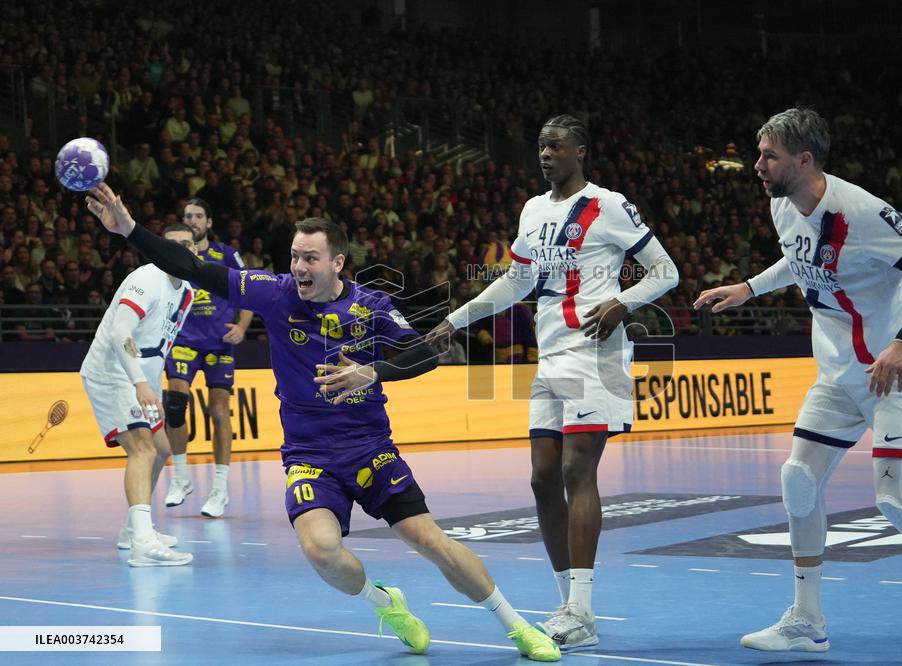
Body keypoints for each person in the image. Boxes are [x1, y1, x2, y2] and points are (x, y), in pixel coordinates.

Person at [86, 183, 560, 662]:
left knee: (428, 540)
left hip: (369, 446)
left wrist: (371, 370)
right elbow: (189, 265)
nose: (299, 268)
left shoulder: (370, 306)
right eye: (294, 256)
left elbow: (427, 352)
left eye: (310, 258)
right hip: (309, 454)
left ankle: (516, 626)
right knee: (320, 550)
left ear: (337, 263)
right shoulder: (273, 293)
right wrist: (128, 228)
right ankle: (387, 604)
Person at [694, 107, 902, 666]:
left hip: (899, 370)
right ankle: (807, 622)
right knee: (798, 478)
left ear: (804, 160)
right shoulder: (781, 203)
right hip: (838, 372)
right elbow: (799, 260)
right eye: (758, 153)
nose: (757, 164)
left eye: (769, 155)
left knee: (896, 499)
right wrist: (749, 288)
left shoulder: (861, 211)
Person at [427, 114, 680, 651]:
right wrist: (456, 319)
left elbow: (666, 272)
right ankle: (570, 604)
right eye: (541, 145)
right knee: (542, 478)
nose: (545, 153)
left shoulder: (608, 205)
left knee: (574, 469)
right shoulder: (532, 210)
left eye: (556, 145)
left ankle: (584, 609)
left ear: (580, 151)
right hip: (550, 358)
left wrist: (623, 302)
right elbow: (516, 281)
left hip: (594, 353)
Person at [78, 223, 197, 567]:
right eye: (170, 245)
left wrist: (152, 384)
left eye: (185, 245)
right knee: (142, 449)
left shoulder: (187, 291)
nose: (178, 251)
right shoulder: (147, 279)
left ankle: (133, 530)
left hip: (143, 378)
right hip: (112, 372)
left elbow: (159, 345)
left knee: (161, 449)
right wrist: (140, 384)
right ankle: (143, 544)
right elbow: (120, 333)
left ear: (195, 251)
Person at [163, 199, 253, 518]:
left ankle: (219, 488)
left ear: (209, 222)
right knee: (174, 402)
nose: (193, 220)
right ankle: (181, 478)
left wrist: (242, 326)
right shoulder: (173, 255)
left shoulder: (226, 255)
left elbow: (247, 290)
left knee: (219, 410)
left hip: (219, 341)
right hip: (184, 340)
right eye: (187, 216)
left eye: (199, 215)